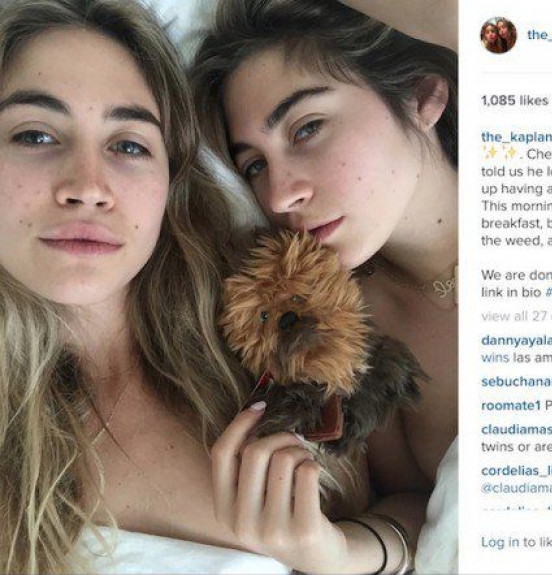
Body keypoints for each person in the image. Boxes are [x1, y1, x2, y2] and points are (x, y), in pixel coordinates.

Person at [0, 0, 286, 572]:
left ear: (170, 184)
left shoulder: (271, 341)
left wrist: (365, 549)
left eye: (129, 145)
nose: (88, 187)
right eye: (35, 135)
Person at [191, 0, 458, 571]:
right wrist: (339, 552)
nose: (279, 195)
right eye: (254, 166)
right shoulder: (335, 327)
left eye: (307, 128)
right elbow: (423, 507)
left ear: (422, 95)